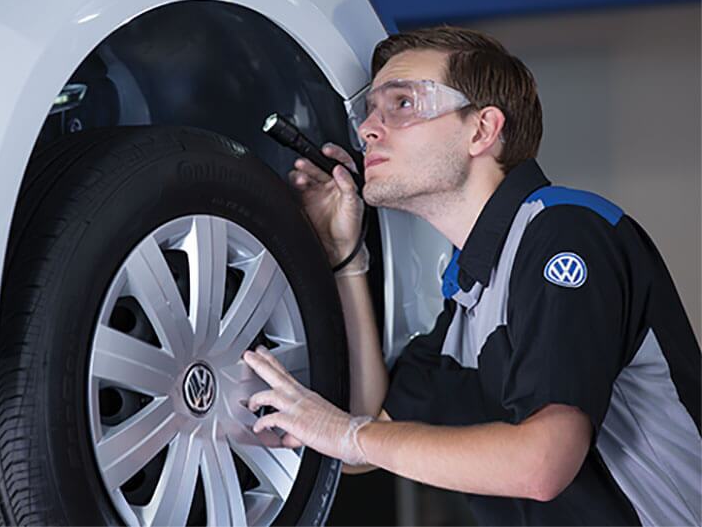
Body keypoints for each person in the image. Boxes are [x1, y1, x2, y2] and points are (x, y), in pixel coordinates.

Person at [242, 26, 701, 526]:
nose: (369, 129)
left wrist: (347, 433)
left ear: (482, 130)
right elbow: (363, 442)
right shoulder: (468, 296)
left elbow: (543, 462)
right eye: (370, 112)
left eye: (402, 104)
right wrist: (346, 258)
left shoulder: (566, 233)